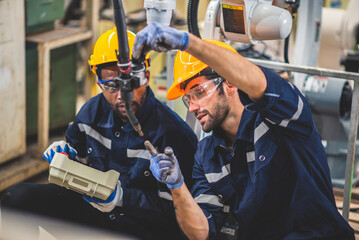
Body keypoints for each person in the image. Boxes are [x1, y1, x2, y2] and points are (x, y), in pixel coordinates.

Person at [132, 22, 355, 240]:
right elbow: (202, 232)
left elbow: (258, 83)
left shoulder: (283, 120)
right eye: (187, 98)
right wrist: (177, 186)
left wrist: (187, 42)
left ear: (230, 82)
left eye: (199, 92)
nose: (192, 107)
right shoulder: (207, 155)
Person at [1, 28, 198, 240]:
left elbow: (177, 219)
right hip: (95, 212)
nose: (122, 95)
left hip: (140, 225)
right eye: (112, 86)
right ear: (99, 85)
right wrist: (67, 160)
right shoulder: (90, 114)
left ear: (146, 77)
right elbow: (79, 166)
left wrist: (123, 198)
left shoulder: (174, 134)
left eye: (131, 83)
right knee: (17, 198)